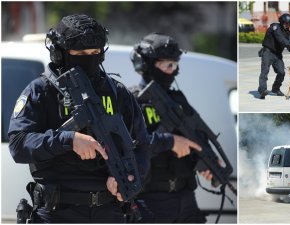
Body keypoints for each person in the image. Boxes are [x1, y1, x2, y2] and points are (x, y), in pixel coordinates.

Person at [8, 14, 199, 223]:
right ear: (59, 53)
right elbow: (18, 144)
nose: (89, 58)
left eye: (95, 52)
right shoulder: (41, 91)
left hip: (109, 211)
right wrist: (69, 140)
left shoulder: (118, 93)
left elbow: (142, 146)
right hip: (57, 212)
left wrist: (128, 177)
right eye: (80, 53)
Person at [129, 33, 215, 223]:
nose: (173, 71)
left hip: (185, 197)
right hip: (150, 201)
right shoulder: (132, 101)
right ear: (147, 64)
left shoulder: (178, 100)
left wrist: (205, 162)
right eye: (167, 65)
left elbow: (197, 135)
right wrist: (171, 142)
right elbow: (130, 146)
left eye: (175, 64)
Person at [258, 13, 290, 99]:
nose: (287, 25)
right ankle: (262, 90)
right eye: (286, 23)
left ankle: (275, 89)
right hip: (268, 52)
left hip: (277, 55)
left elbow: (289, 45)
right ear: (281, 21)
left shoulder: (288, 33)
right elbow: (280, 39)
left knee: (281, 72)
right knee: (264, 71)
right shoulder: (275, 27)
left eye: (289, 24)